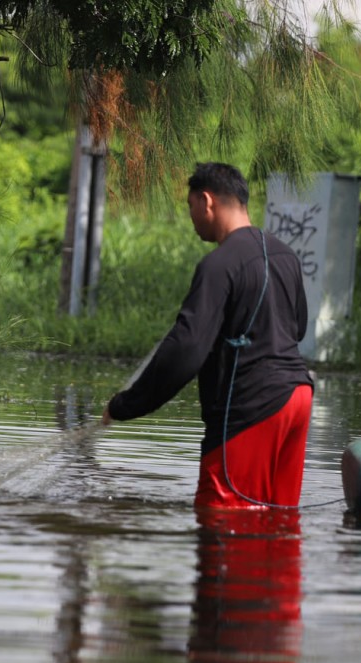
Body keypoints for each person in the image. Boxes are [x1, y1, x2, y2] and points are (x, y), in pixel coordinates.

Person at [102, 162, 314, 512]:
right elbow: (297, 328)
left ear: (206, 201)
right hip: (297, 400)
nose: (191, 217)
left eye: (189, 207)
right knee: (278, 519)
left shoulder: (219, 265)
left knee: (223, 521)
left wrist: (126, 405)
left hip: (252, 408)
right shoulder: (285, 256)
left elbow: (185, 350)